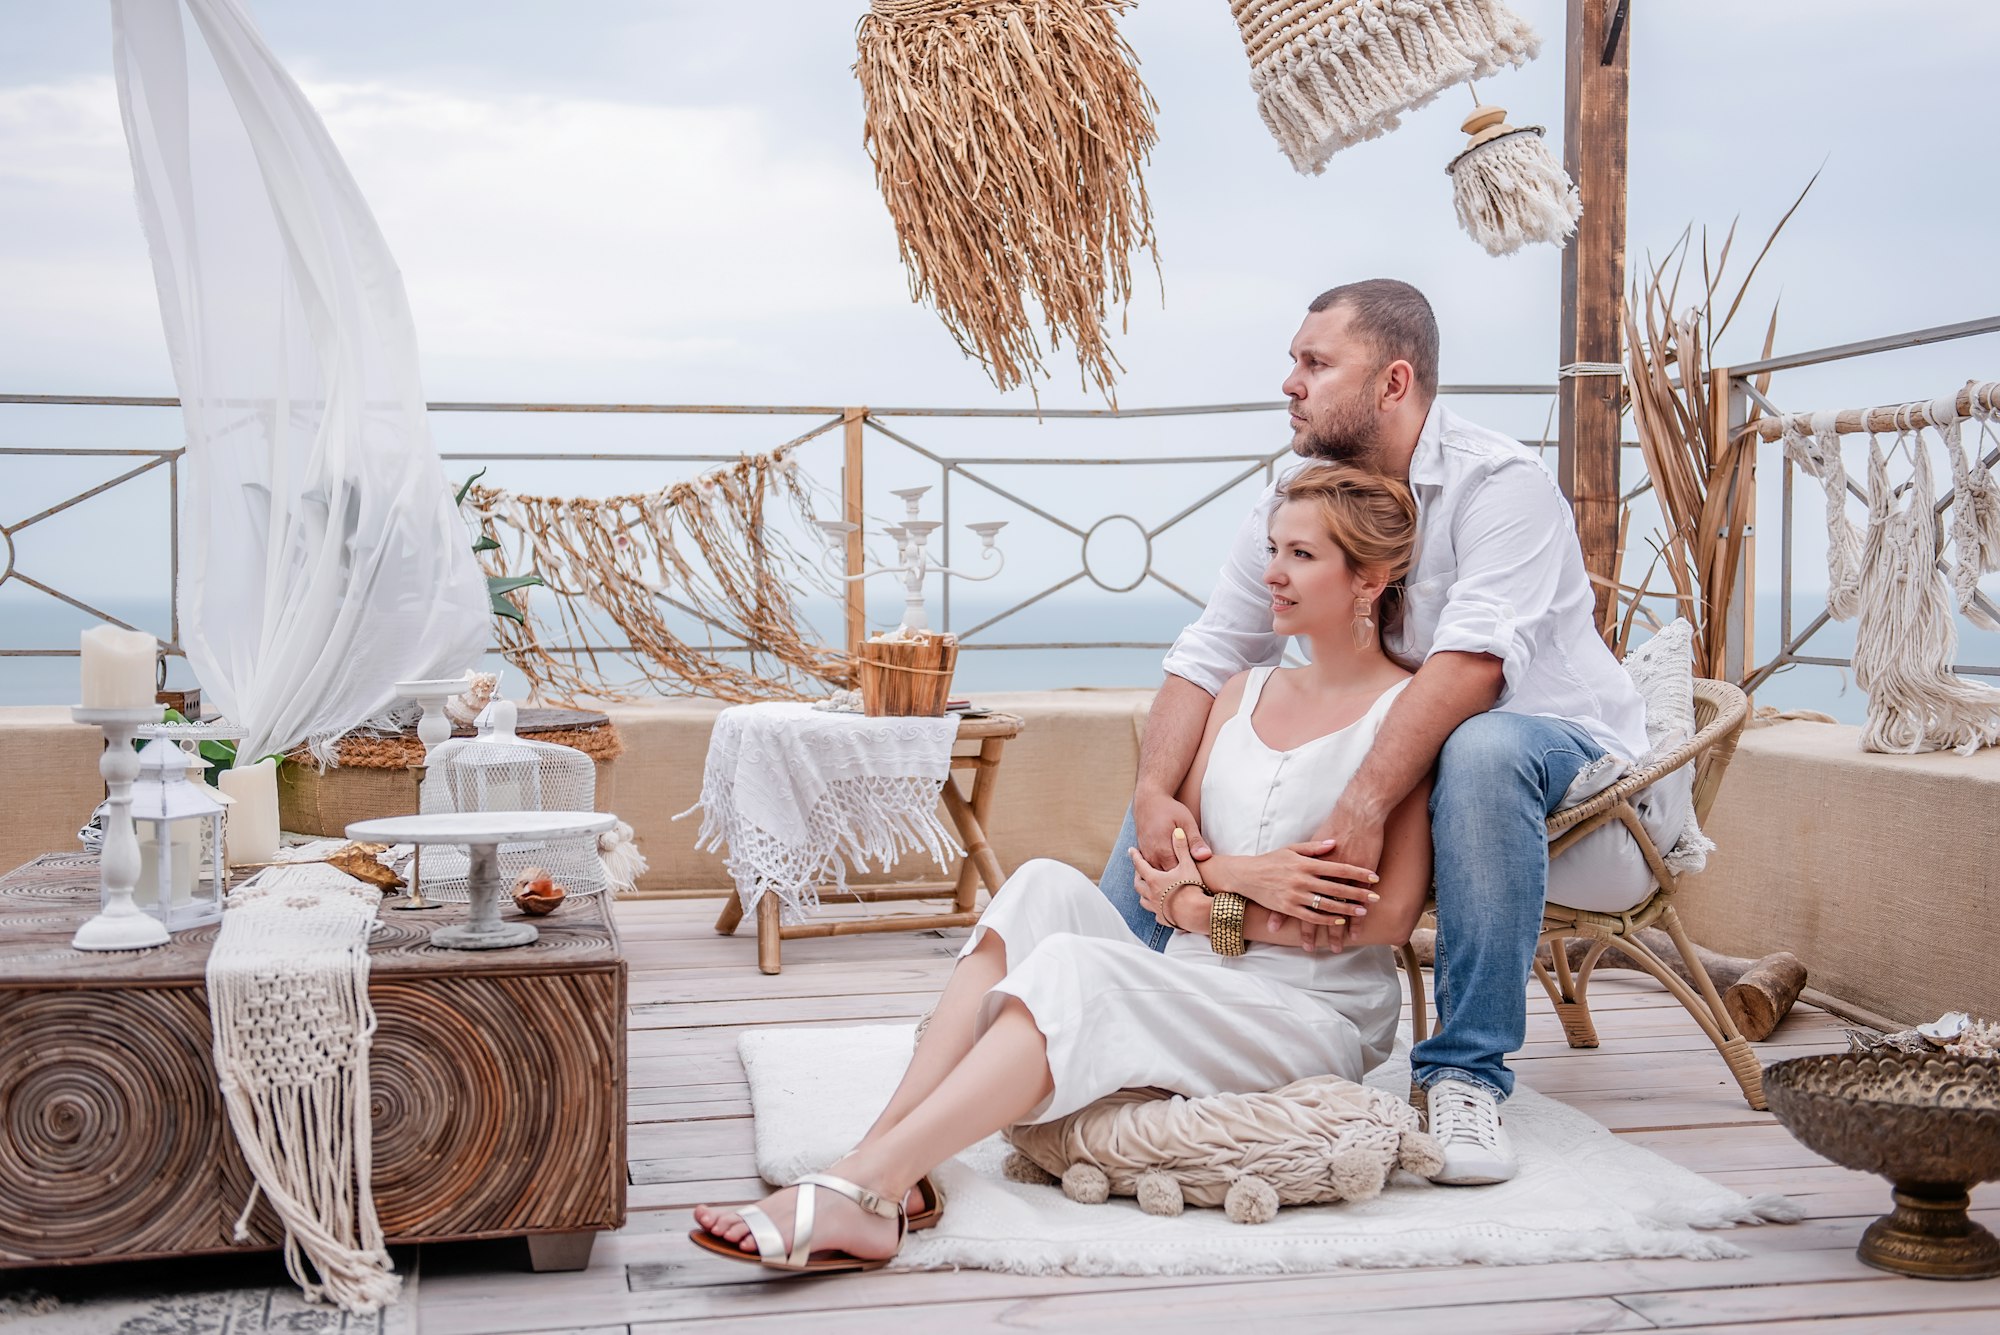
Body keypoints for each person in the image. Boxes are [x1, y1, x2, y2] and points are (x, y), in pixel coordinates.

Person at [690, 463, 1434, 1274]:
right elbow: (1168, 872)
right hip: (1194, 973)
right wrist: (1242, 881)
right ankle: (880, 1167)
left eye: (1301, 555)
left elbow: (1391, 915)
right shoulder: (1240, 693)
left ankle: (863, 1190)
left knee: (1083, 970)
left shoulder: (1405, 716)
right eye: (1272, 549)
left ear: (1370, 577)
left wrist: (1207, 899)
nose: (1272, 573)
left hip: (1308, 1013)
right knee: (1040, 882)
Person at [1100, 278, 1651, 1187]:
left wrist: (1364, 800)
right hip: (1409, 745)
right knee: (1177, 770)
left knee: (1483, 743)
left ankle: (1464, 1075)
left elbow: (1473, 672)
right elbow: (1209, 654)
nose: (1290, 382)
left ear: (1395, 383)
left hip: (1551, 745)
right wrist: (1154, 793)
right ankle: (1089, 997)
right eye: (1293, 361)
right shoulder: (1299, 501)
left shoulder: (1497, 485)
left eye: (1315, 363)